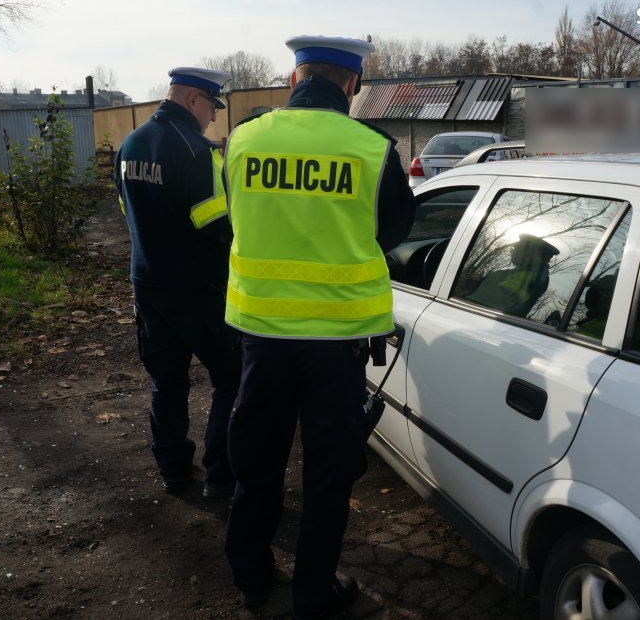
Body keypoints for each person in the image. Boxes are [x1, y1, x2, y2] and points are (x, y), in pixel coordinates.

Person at [221, 36, 415, 618]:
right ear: (353, 85)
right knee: (328, 474)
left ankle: (252, 576)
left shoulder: (241, 138)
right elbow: (393, 232)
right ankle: (313, 592)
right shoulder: (373, 148)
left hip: (261, 337)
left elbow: (239, 215)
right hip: (337, 345)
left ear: (293, 77)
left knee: (256, 463)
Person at [114, 66, 240, 499]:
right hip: (197, 290)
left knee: (166, 381)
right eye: (211, 107)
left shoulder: (130, 144)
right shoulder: (196, 150)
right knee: (231, 376)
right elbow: (218, 226)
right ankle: (221, 477)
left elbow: (128, 210)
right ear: (192, 100)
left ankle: (173, 470)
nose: (212, 119)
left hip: (147, 285)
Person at [467, 233, 560, 317]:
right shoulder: (531, 277)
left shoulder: (529, 278)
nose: (511, 251)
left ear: (530, 254)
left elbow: (489, 298)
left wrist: (467, 285)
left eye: (516, 248)